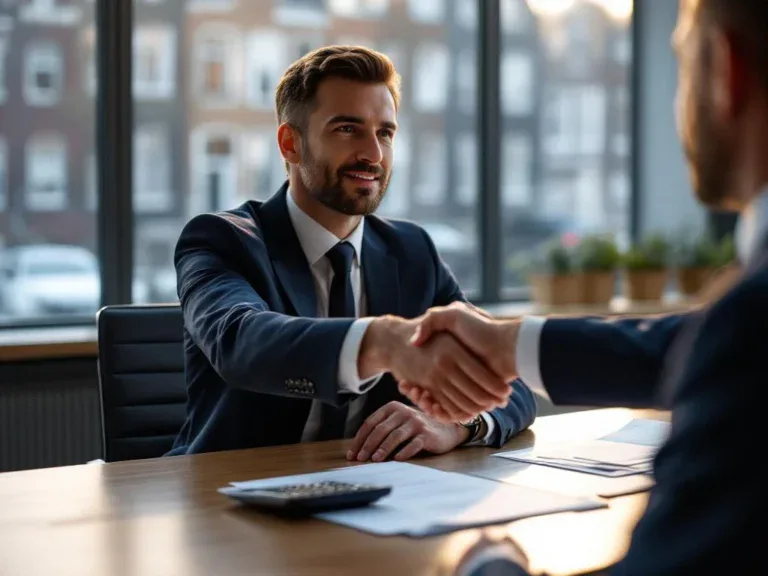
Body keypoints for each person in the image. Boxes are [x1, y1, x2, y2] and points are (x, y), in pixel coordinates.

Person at [407, 0, 767, 573]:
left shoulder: (748, 318)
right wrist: (510, 345)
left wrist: (489, 564)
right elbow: (687, 345)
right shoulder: (742, 320)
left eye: (681, 67)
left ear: (727, 74)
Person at [167, 46, 536, 461]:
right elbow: (240, 342)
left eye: (385, 133)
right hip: (228, 498)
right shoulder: (223, 239)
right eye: (347, 129)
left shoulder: (412, 251)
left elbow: (508, 382)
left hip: (373, 498)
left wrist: (456, 423)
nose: (374, 155)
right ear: (290, 143)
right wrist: (379, 342)